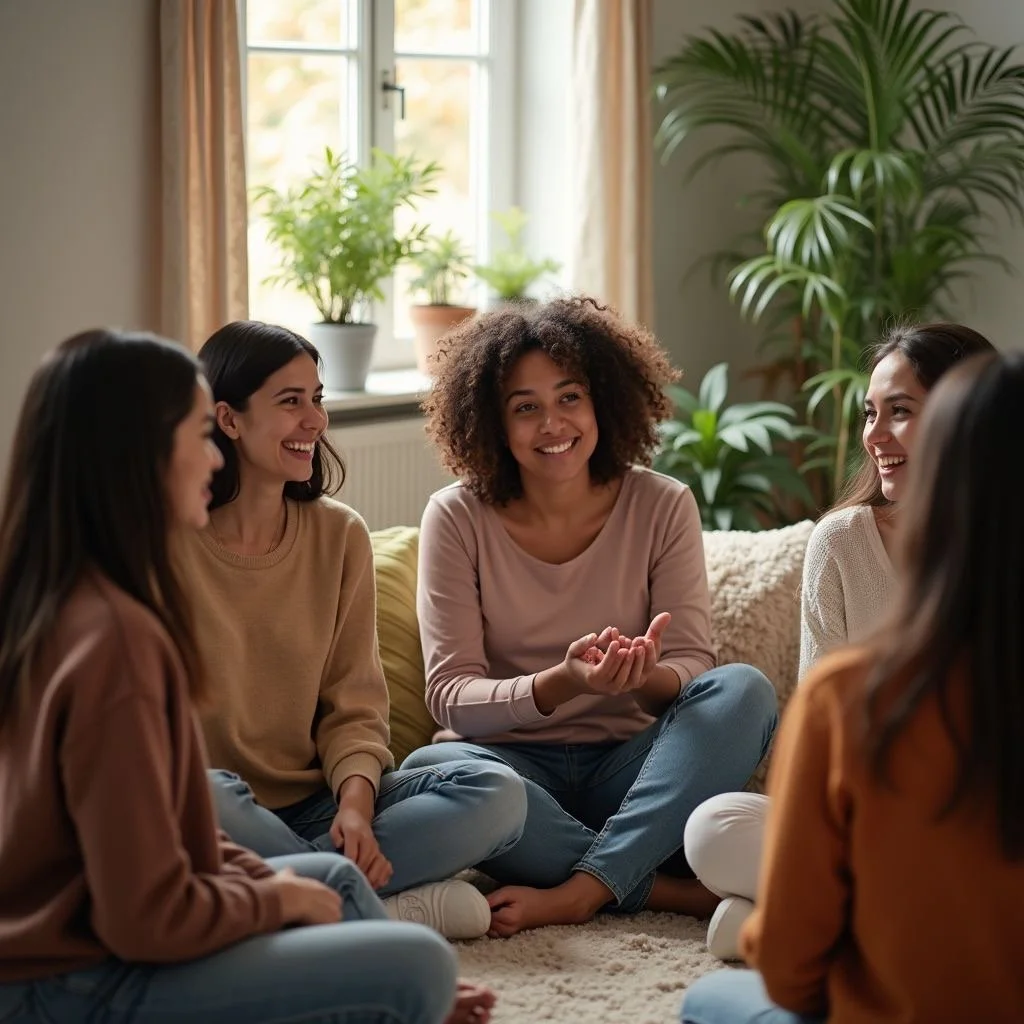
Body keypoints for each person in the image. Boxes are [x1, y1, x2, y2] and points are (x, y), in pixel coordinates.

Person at [0, 328, 494, 1024]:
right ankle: (393, 987)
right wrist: (273, 898)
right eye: (199, 433)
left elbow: (163, 845)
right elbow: (145, 918)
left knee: (337, 880)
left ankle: (387, 988)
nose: (212, 457)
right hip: (69, 980)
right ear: (134, 454)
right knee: (419, 962)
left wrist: (294, 864)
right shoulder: (117, 641)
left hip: (107, 926)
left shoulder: (66, 595)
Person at [401, 295, 779, 936]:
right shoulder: (455, 517)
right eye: (526, 407)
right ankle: (665, 891)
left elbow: (692, 665)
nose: (553, 424)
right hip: (516, 776)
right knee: (425, 772)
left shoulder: (662, 504)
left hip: (637, 776)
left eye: (569, 397)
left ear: (603, 398)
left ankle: (580, 889)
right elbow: (450, 695)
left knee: (742, 690)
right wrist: (563, 683)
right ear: (492, 421)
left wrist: (645, 675)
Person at [682, 348, 1024, 1023]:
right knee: (715, 825)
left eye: (901, 411)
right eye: (871, 413)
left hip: (885, 966)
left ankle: (787, 910)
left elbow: (786, 977)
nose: (875, 435)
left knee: (707, 997)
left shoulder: (846, 696)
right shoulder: (842, 543)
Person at [177, 320, 527, 942]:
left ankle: (288, 900)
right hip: (217, 811)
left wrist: (356, 808)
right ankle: (370, 906)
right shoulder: (164, 542)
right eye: (291, 402)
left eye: (318, 398)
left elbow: (355, 706)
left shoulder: (339, 535)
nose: (315, 421)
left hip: (317, 800)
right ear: (227, 419)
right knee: (201, 795)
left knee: (497, 792)